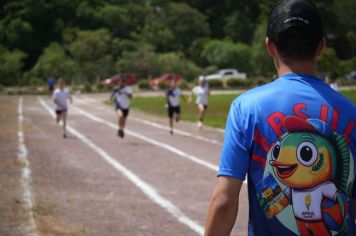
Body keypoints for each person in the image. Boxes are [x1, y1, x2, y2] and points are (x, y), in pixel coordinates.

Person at [205, 1, 356, 236]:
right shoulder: (351, 112)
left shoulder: (247, 107)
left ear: (270, 46)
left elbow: (224, 200)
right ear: (321, 46)